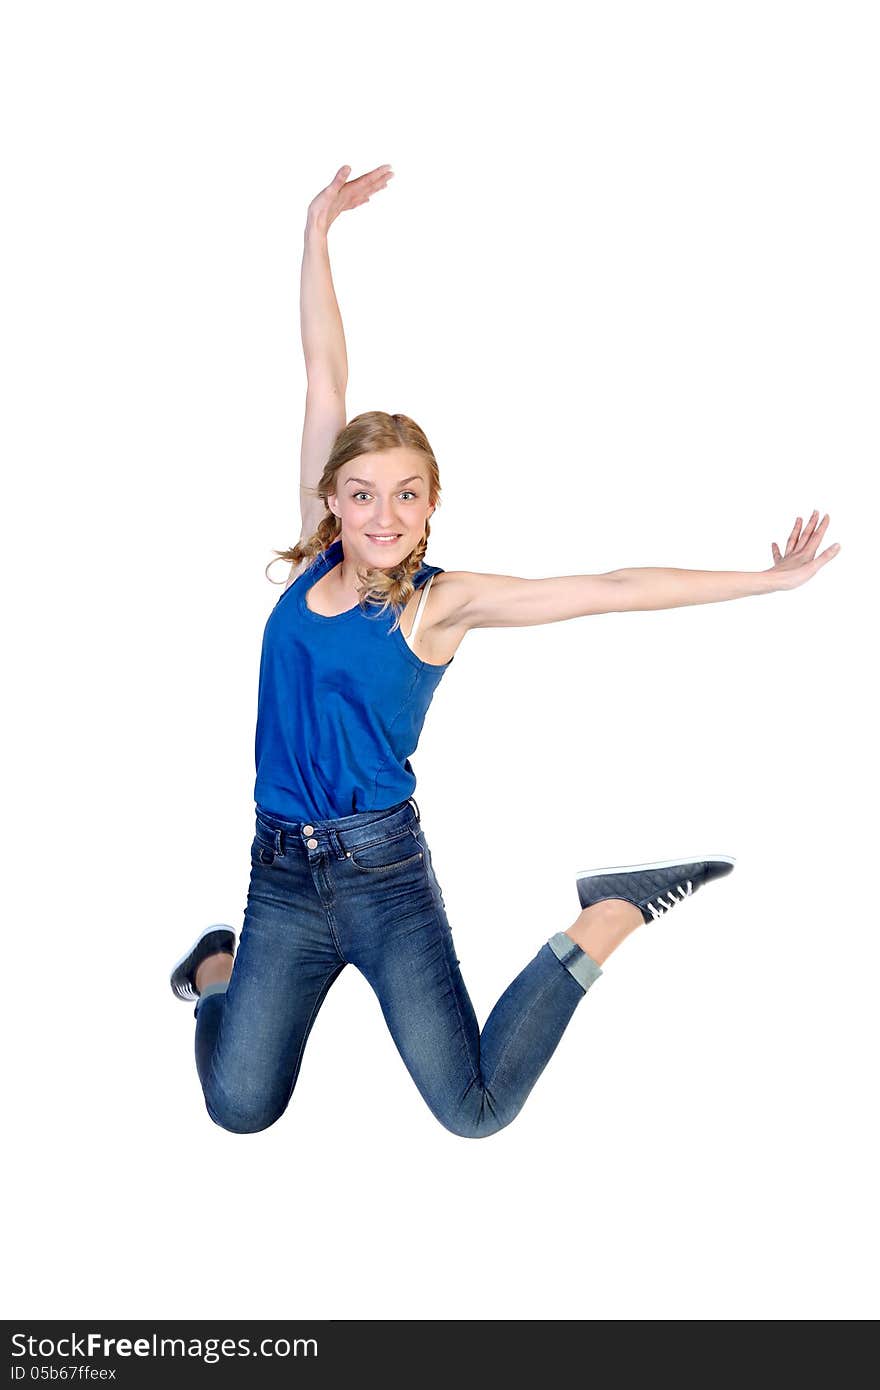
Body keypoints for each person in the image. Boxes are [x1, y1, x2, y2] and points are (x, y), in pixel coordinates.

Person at [169, 163, 841, 1139]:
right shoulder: (317, 550)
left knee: (474, 1108)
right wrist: (316, 234)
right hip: (279, 875)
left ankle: (608, 915)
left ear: (430, 504)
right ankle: (222, 967)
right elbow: (324, 373)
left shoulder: (437, 606)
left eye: (407, 494)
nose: (383, 513)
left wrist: (763, 579)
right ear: (332, 499)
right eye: (362, 492)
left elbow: (610, 589)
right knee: (238, 1104)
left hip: (382, 877)